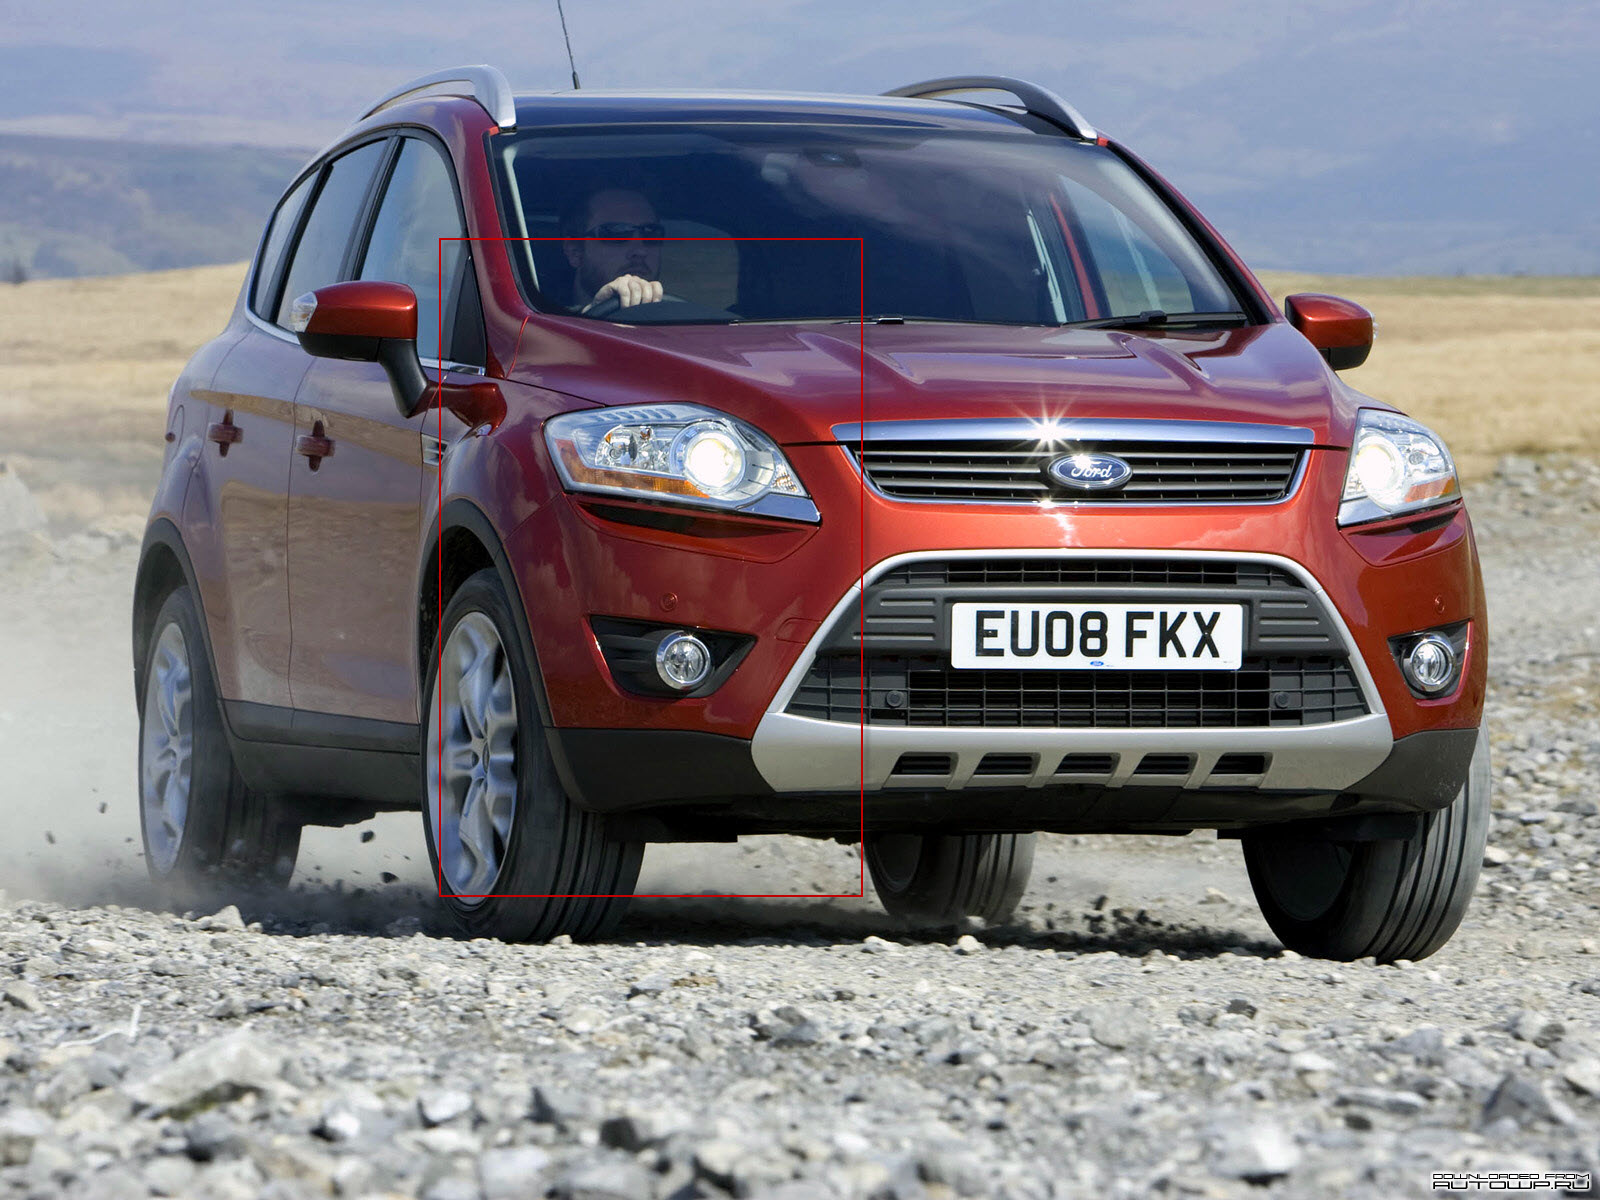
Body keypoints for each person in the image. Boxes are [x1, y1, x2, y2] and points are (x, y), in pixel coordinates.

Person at [562, 187, 666, 312]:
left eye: (651, 234)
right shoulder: (543, 312)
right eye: (616, 234)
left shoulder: (680, 317)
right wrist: (591, 311)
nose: (640, 251)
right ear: (575, 252)